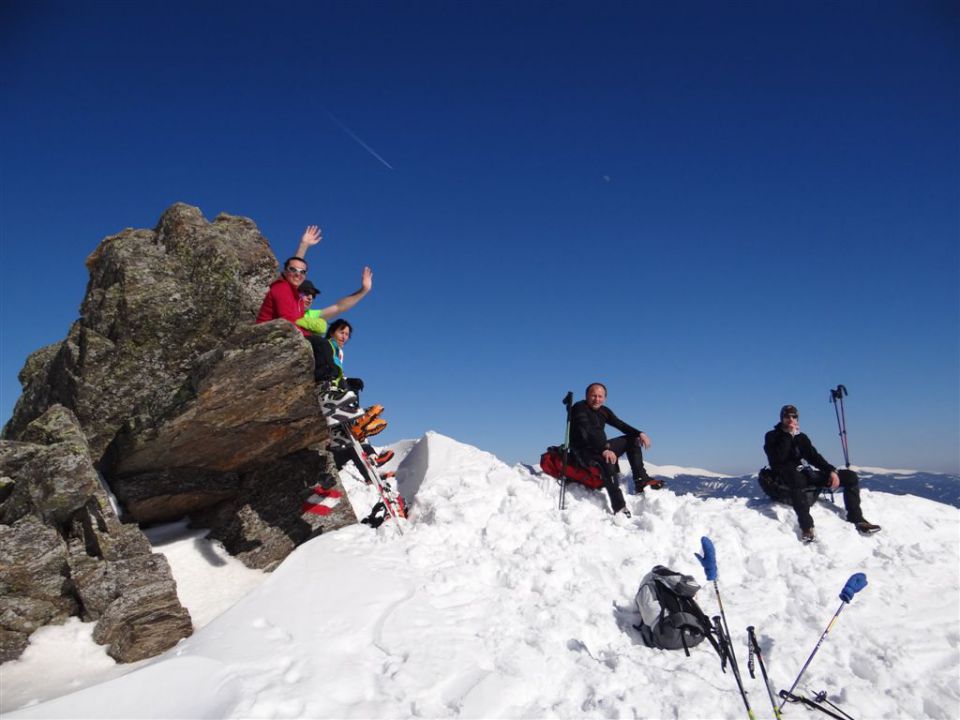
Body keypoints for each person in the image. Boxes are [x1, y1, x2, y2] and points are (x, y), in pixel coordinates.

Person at [254, 225, 373, 383]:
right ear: (296, 293)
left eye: (313, 296)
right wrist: (303, 246)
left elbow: (339, 307)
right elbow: (293, 273)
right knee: (321, 344)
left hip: (292, 349)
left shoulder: (309, 315)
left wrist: (364, 290)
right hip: (269, 342)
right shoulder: (285, 291)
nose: (309, 298)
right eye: (305, 294)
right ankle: (326, 385)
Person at [763, 404, 880, 542]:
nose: (791, 419)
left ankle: (857, 519)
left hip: (804, 472)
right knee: (797, 479)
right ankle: (807, 527)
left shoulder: (801, 437)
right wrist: (789, 436)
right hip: (783, 474)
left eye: (794, 416)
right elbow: (779, 458)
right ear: (782, 418)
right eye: (787, 416)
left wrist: (830, 470)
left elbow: (813, 456)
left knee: (850, 477)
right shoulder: (772, 436)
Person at [569, 383, 663, 517]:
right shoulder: (579, 408)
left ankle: (640, 480)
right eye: (593, 396)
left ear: (605, 398)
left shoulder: (603, 411)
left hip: (600, 446)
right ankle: (619, 506)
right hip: (583, 451)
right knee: (607, 460)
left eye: (600, 396)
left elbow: (620, 424)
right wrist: (604, 449)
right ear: (586, 396)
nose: (596, 399)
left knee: (632, 439)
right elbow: (588, 432)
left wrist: (640, 433)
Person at [317, 318, 394, 469]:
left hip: (335, 392)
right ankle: (363, 425)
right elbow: (327, 371)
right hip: (328, 394)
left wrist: (348, 381)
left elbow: (338, 373)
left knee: (352, 436)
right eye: (341, 332)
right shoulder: (327, 346)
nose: (344, 337)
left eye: (347, 334)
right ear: (332, 331)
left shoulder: (338, 351)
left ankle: (371, 453)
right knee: (351, 434)